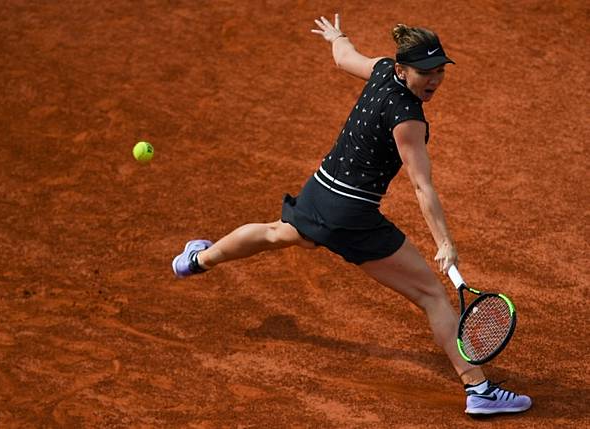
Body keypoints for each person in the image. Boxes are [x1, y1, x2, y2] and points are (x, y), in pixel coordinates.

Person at [172, 14, 531, 415]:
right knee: (432, 296)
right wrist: (444, 242)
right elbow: (421, 186)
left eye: (439, 70)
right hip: (353, 214)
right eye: (425, 72)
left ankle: (196, 260)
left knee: (277, 232)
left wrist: (336, 37)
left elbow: (344, 58)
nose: (434, 80)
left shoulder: (382, 70)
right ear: (403, 69)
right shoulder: (408, 118)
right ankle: (479, 389)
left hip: (320, 190)